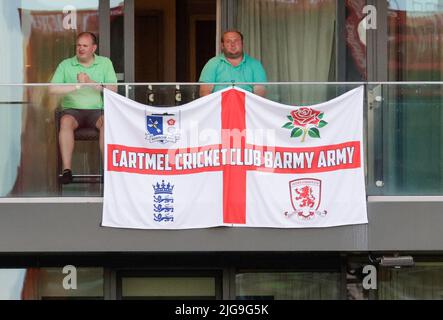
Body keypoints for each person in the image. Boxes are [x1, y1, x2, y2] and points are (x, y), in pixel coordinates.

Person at [49, 32, 117, 184]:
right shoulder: (65, 64)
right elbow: (52, 89)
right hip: (72, 111)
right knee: (65, 122)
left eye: (85, 46)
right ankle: (67, 170)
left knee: (107, 123)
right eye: (78, 45)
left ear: (94, 48)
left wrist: (90, 82)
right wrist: (78, 86)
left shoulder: (105, 63)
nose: (80, 48)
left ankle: (108, 170)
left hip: (97, 111)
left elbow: (113, 90)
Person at [199, 30, 267, 97]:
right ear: (222, 46)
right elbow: (205, 92)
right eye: (228, 41)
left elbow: (259, 94)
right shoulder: (212, 63)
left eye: (236, 41)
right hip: (219, 106)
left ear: (242, 43)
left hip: (246, 106)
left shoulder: (255, 65)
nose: (232, 44)